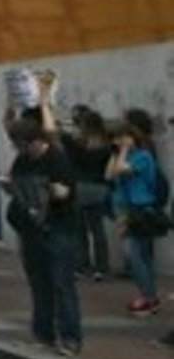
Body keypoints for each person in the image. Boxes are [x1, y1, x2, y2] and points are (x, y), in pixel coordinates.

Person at [2, 117, 81, 356]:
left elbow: (65, 190)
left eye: (25, 145)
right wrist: (10, 186)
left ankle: (70, 337)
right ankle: (43, 334)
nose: (22, 151)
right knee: (39, 283)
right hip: (32, 228)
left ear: (36, 141)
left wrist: (49, 189)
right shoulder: (23, 161)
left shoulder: (57, 158)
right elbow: (14, 181)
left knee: (61, 283)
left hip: (58, 225)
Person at [108, 111, 164, 317]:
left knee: (136, 255)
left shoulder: (142, 156)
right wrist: (117, 152)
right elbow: (110, 173)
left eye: (122, 137)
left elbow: (121, 170)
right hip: (126, 209)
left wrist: (123, 151)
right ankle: (147, 295)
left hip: (140, 210)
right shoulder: (128, 156)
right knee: (138, 255)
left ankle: (149, 297)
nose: (119, 141)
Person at [63, 108, 113, 281]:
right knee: (97, 229)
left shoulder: (78, 144)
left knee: (79, 230)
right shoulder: (107, 144)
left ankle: (83, 266)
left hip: (80, 187)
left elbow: (73, 157)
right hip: (99, 187)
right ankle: (102, 267)